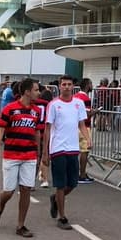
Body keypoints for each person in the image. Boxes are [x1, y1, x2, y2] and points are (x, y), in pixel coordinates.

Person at [0, 78, 43, 237]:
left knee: (26, 189)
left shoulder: (36, 111)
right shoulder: (10, 109)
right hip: (12, 155)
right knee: (9, 191)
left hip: (29, 155)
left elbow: (37, 132)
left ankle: (21, 225)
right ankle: (0, 208)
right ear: (27, 91)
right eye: (35, 90)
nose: (38, 92)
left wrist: (40, 153)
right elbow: (0, 129)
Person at [42, 75, 92, 230]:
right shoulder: (54, 104)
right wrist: (45, 152)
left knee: (73, 183)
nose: (66, 87)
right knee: (60, 184)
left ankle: (56, 199)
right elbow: (47, 128)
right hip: (58, 148)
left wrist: (88, 139)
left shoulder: (78, 104)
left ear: (73, 86)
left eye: (69, 84)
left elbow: (81, 123)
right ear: (59, 86)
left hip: (73, 148)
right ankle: (62, 217)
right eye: (64, 84)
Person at [74, 78, 96, 184]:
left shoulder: (75, 96)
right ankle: (82, 174)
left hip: (74, 126)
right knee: (84, 151)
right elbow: (86, 115)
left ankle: (74, 173)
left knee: (74, 151)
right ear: (87, 85)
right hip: (84, 127)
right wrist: (94, 112)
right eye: (91, 84)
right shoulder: (85, 98)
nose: (92, 86)